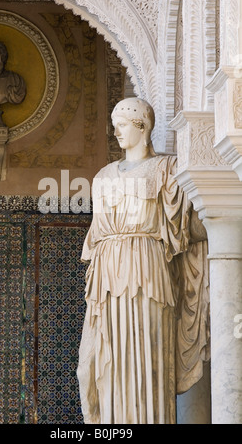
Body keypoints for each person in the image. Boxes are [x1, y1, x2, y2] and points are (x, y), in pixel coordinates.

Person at [77, 97, 210, 424]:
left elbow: (192, 224)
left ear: (143, 126)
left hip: (147, 271)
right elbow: (94, 238)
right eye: (114, 126)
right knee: (89, 367)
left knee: (144, 358)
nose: (117, 133)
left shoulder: (166, 169)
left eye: (122, 125)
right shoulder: (103, 176)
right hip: (106, 278)